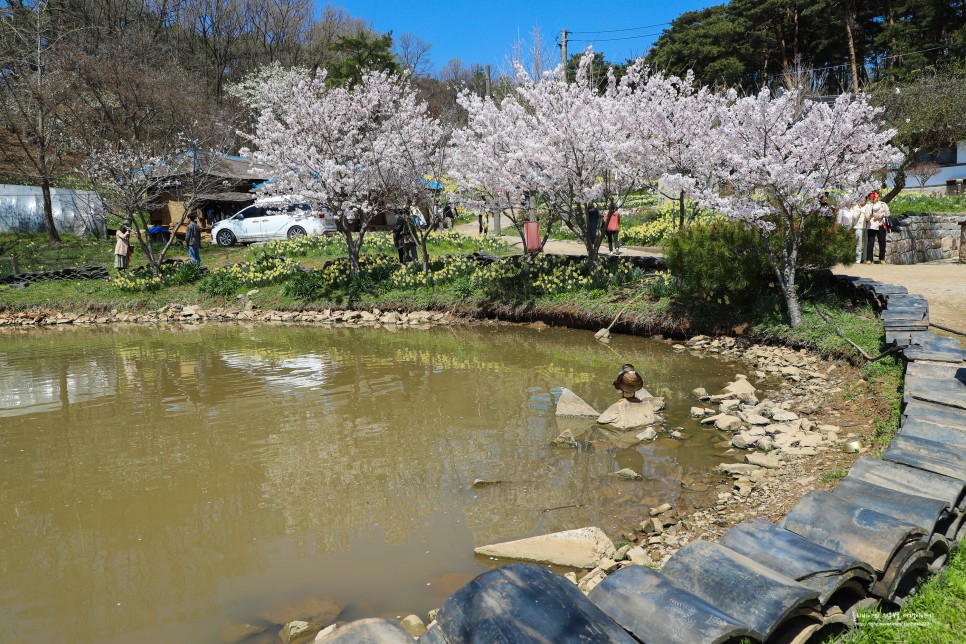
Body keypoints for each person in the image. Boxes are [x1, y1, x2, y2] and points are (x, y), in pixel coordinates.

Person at [865, 193, 890, 264]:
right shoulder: (869, 205)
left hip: (881, 224)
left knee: (882, 242)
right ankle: (869, 259)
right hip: (871, 225)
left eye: (876, 195)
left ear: (878, 196)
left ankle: (881, 258)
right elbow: (866, 216)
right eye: (872, 196)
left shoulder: (883, 204)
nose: (874, 197)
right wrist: (868, 216)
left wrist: (881, 215)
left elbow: (888, 213)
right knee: (870, 242)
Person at [852, 196, 869, 263]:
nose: (862, 201)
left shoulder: (868, 206)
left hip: (866, 227)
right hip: (858, 226)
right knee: (859, 243)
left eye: (863, 199)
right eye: (861, 199)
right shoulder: (855, 207)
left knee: (866, 243)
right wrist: (859, 210)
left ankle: (865, 259)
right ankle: (858, 259)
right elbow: (854, 217)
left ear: (866, 200)